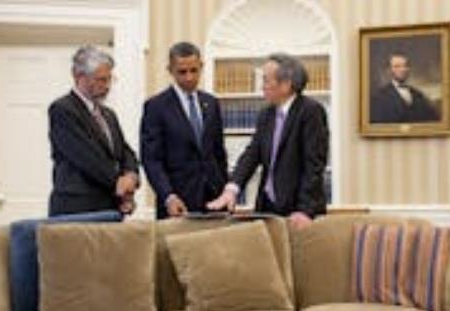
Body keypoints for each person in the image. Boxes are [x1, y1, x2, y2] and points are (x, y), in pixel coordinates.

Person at [207, 53, 329, 229]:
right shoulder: (266, 114)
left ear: (286, 85)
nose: (261, 86)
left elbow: (314, 165)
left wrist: (305, 210)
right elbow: (252, 154)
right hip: (266, 208)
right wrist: (231, 189)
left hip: (298, 212)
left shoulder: (310, 111)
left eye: (265, 80)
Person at [48, 45, 139, 217]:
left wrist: (131, 176)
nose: (107, 86)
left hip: (109, 207)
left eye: (109, 79)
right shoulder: (62, 109)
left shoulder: (108, 114)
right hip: (76, 210)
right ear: (78, 76)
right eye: (101, 80)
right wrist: (119, 184)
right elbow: (88, 158)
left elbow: (125, 152)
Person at [140, 42, 228, 218]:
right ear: (170, 70)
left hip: (214, 201)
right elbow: (152, 160)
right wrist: (168, 196)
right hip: (177, 203)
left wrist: (225, 191)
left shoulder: (211, 103)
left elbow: (219, 153)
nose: (189, 77)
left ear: (201, 67)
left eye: (194, 70)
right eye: (182, 72)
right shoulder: (156, 107)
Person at [370, 53, 439, 123]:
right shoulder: (379, 96)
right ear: (389, 70)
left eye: (405, 66)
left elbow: (433, 120)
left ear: (409, 69)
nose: (402, 69)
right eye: (397, 66)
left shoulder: (418, 95)